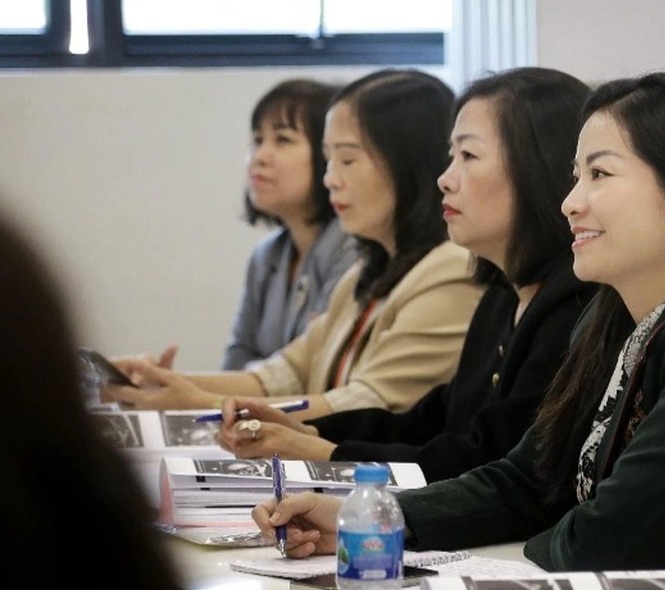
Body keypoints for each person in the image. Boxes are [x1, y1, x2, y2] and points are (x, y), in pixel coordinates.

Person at [250, 71, 665, 590]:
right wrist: (373, 521)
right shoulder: (613, 318)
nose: (571, 201)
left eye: (600, 175)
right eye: (574, 175)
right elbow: (527, 481)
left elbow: (603, 541)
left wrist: (514, 538)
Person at [214, 67, 598, 483]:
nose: (445, 179)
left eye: (468, 157)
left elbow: (486, 461)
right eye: (451, 156)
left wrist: (322, 450)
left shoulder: (571, 304)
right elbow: (433, 420)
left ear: (535, 166)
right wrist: (310, 431)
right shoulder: (502, 296)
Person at [108, 69, 483, 423]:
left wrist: (201, 403)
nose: (330, 179)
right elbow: (284, 372)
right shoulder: (367, 272)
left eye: (348, 160)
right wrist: (166, 383)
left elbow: (365, 405)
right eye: (327, 159)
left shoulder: (450, 270)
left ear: (407, 163)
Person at [0, 207, 215, 590]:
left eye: (346, 159)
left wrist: (187, 392)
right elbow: (273, 373)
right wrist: (178, 389)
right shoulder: (90, 509)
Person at [224, 78, 357, 370]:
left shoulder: (353, 249)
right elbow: (236, 356)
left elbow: (315, 368)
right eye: (257, 140)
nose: (259, 157)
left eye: (282, 140)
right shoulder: (266, 255)